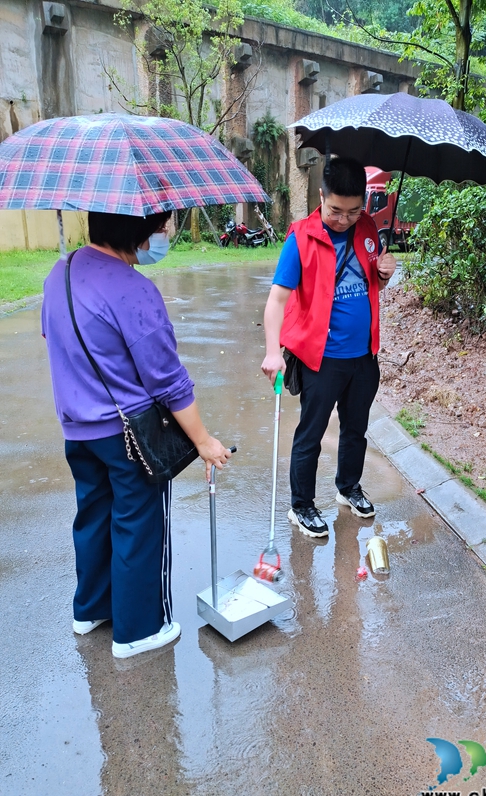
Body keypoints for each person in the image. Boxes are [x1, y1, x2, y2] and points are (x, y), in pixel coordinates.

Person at [41, 211, 231, 659]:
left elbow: (53, 337)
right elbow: (169, 380)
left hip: (77, 429)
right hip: (128, 435)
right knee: (138, 523)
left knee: (92, 515)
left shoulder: (60, 272)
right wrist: (203, 440)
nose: (162, 236)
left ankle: (90, 610)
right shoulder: (134, 289)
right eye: (160, 228)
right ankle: (139, 630)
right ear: (139, 233)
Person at [261, 157, 396, 537]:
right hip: (321, 359)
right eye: (336, 210)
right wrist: (274, 351)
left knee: (356, 429)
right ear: (321, 196)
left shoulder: (367, 229)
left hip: (363, 356)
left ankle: (348, 488)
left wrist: (384, 273)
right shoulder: (301, 237)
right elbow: (276, 300)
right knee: (311, 433)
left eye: (354, 211)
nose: (344, 219)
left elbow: (370, 286)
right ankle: (301, 505)